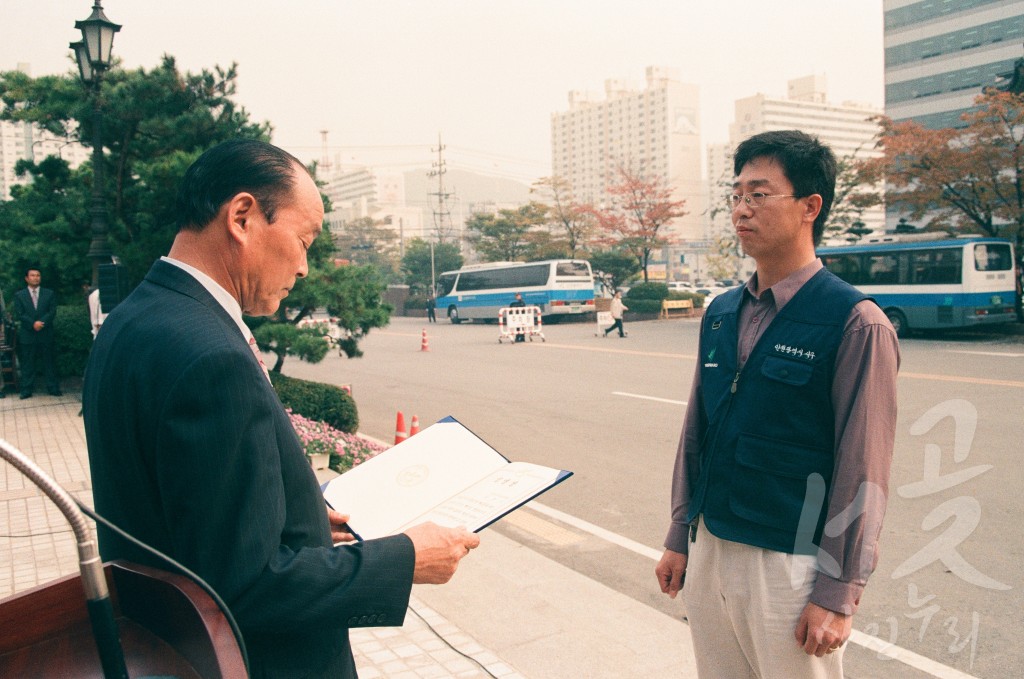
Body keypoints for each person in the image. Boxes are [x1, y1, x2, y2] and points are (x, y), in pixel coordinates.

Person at [83, 139, 480, 679]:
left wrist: (300, 516)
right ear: (243, 216)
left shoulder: (136, 320)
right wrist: (407, 559)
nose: (306, 267)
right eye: (304, 239)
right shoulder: (209, 356)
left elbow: (186, 510)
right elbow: (247, 586)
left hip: (164, 648)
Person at [654, 130, 900, 679]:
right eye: (736, 194)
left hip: (791, 564)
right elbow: (698, 431)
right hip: (712, 546)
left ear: (810, 206)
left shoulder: (855, 323)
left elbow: (864, 467)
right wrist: (680, 536)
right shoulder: (720, 313)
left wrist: (838, 591)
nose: (741, 208)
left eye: (759, 194)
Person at [13, 267, 61, 398]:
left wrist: (41, 323)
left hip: (46, 333)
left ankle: (53, 388)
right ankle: (26, 390)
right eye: (33, 275)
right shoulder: (19, 295)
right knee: (28, 363)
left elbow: (52, 312)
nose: (36, 278)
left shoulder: (49, 294)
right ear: (27, 278)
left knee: (49, 362)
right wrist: (33, 324)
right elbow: (20, 313)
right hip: (28, 335)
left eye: (38, 275)